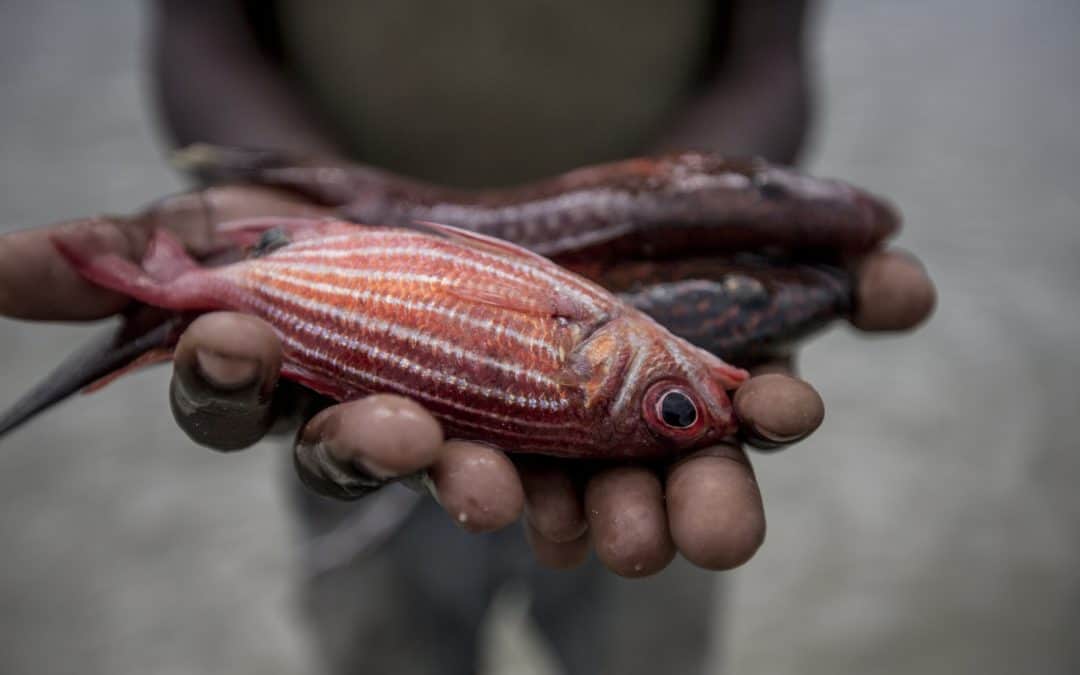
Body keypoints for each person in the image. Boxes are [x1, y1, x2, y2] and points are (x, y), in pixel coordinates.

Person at [0, 1, 935, 673]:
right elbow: (205, 27)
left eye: (682, 399)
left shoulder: (608, 355)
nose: (702, 389)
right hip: (342, 400)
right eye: (676, 403)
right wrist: (305, 193)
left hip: (400, 355)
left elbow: (765, 50)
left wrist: (719, 196)